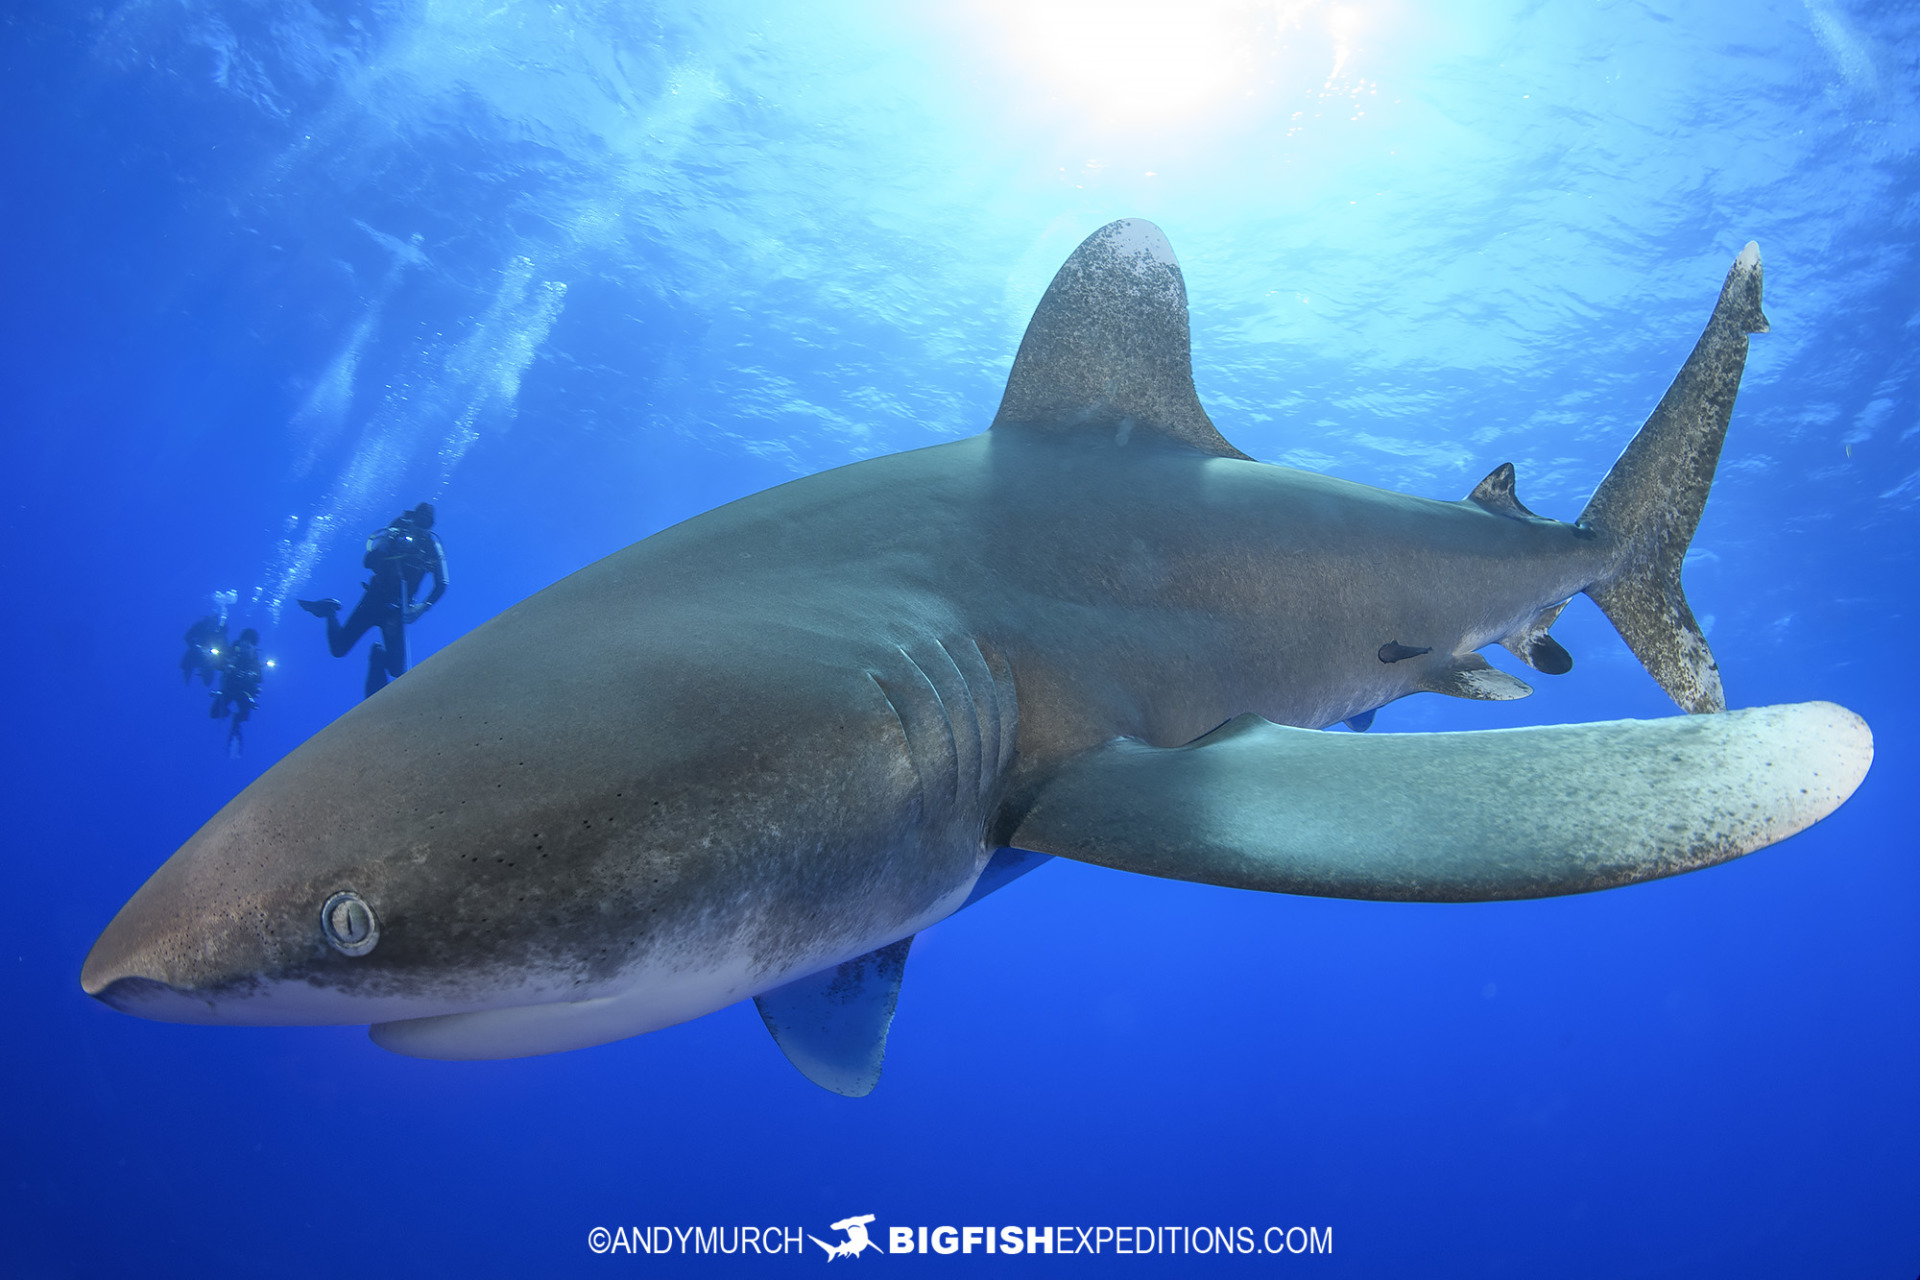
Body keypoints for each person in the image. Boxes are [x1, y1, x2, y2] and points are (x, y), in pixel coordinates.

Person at [297, 502, 449, 699]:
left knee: (396, 670)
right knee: (338, 649)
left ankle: (377, 656)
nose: (421, 526)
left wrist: (423, 607)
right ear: (412, 518)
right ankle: (329, 610)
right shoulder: (394, 532)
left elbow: (442, 583)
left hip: (396, 610)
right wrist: (387, 547)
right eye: (419, 519)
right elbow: (367, 562)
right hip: (373, 600)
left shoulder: (431, 546)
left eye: (427, 523)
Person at [209, 627, 263, 754]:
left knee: (243, 715)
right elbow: (217, 664)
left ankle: (235, 724)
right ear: (241, 640)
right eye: (245, 642)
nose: (246, 646)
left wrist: (251, 675)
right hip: (228, 688)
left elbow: (260, 678)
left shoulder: (253, 656)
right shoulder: (232, 650)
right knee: (214, 713)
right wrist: (227, 665)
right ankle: (231, 716)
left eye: (250, 644)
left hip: (243, 691)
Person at [179, 588, 237, 685]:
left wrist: (222, 655)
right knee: (186, 668)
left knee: (208, 680)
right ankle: (184, 682)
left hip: (210, 656)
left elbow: (225, 647)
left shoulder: (221, 631)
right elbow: (187, 637)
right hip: (197, 651)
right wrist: (195, 646)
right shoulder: (201, 625)